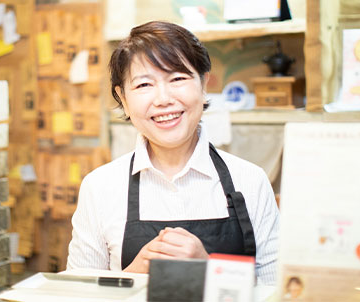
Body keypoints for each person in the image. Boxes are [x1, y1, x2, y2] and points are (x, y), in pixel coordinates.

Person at [66, 21, 279, 285]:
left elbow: (277, 293)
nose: (163, 98)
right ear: (123, 99)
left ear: (203, 85)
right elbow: (76, 295)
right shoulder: (99, 187)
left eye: (177, 79)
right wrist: (132, 275)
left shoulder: (251, 181)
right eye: (144, 85)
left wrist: (209, 269)